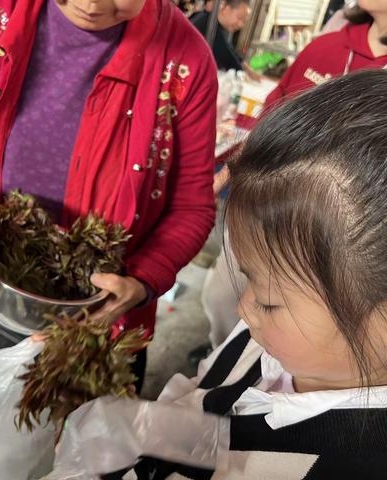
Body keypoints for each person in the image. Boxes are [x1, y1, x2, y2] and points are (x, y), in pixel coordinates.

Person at [47, 70, 387, 479]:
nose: (245, 309)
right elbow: (206, 396)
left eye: (268, 300)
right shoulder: (270, 345)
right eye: (248, 281)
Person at [0, 0, 217, 388]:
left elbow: (191, 206)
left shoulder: (186, 63)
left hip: (102, 326)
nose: (91, 4)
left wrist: (140, 282)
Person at [202, 0, 387, 353]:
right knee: (226, 297)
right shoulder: (328, 46)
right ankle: (223, 354)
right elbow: (271, 114)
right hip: (263, 213)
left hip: (339, 246)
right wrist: (231, 172)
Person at [190, 0, 251, 72]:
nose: (241, 24)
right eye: (239, 18)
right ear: (226, 9)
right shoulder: (210, 26)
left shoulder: (213, 23)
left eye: (244, 21)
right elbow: (232, 62)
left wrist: (249, 71)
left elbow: (232, 52)